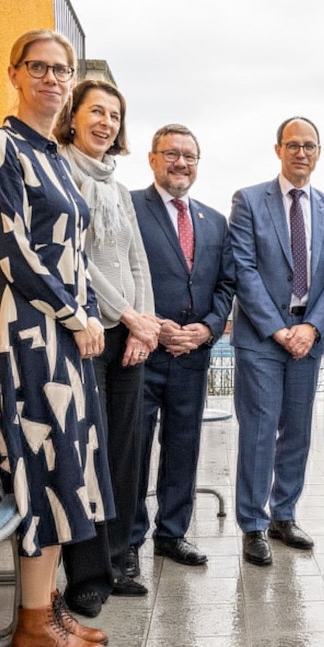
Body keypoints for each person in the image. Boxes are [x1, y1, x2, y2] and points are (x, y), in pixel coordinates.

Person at [0, 29, 109, 647]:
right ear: (15, 72)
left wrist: (80, 318)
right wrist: (76, 313)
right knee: (41, 462)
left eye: (62, 70)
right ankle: (32, 622)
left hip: (62, 333)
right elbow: (14, 251)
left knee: (66, 465)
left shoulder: (52, 154)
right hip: (30, 330)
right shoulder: (2, 145)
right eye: (40, 68)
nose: (53, 79)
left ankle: (48, 606)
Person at [54, 79, 159, 613]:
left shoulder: (118, 187)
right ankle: (87, 574)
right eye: (97, 112)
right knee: (88, 452)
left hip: (130, 330)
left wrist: (144, 324)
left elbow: (136, 258)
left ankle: (119, 558)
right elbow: (79, 262)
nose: (106, 123)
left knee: (125, 449)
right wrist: (132, 316)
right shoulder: (59, 172)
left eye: (114, 116)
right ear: (73, 117)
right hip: (88, 329)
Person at [229, 116, 324, 566]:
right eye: (293, 144)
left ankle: (284, 515)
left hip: (308, 335)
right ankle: (253, 525)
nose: (302, 152)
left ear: (319, 152)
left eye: (310, 145)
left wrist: (312, 327)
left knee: (297, 432)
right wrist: (279, 329)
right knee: (259, 432)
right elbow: (244, 268)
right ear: (277, 149)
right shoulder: (249, 200)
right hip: (263, 336)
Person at [131, 124, 234, 569]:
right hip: (140, 352)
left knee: (183, 446)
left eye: (189, 156)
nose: (180, 163)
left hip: (193, 355)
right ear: (152, 159)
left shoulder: (214, 220)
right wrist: (153, 325)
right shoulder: (131, 207)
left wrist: (208, 329)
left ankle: (172, 534)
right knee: (133, 449)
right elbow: (119, 272)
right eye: (171, 154)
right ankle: (128, 543)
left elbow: (226, 285)